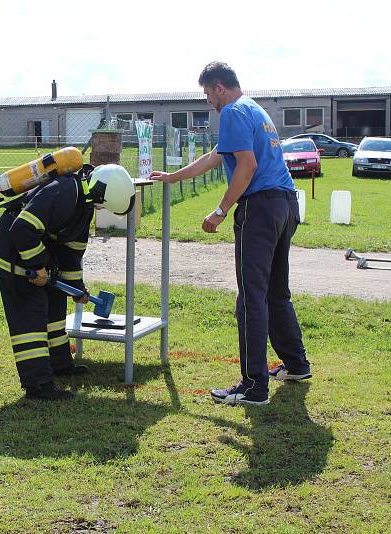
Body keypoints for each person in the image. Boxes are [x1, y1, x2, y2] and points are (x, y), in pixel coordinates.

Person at [151, 61, 311, 406]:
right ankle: (297, 364)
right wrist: (174, 177)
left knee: (251, 299)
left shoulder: (233, 113)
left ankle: (254, 387)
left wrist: (222, 210)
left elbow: (248, 165)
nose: (207, 99)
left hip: (261, 207)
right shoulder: (254, 109)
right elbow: (216, 156)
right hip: (285, 204)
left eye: (208, 92)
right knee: (275, 292)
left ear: (219, 86)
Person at [0, 163, 135, 400]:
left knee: (55, 311)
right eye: (102, 204)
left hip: (40, 260)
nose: (100, 208)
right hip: (14, 258)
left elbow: (71, 252)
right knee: (30, 320)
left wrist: (77, 289)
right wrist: (37, 266)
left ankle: (60, 366)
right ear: (99, 193)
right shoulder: (63, 191)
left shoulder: (84, 204)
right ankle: (38, 386)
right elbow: (22, 229)